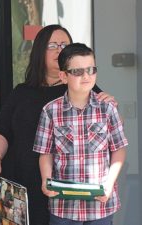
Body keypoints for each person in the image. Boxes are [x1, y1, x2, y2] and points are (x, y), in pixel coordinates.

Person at [0, 24, 116, 225]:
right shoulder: (22, 91)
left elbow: (112, 131)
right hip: (20, 187)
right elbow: (1, 131)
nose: (60, 49)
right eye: (52, 45)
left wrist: (112, 107)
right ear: (39, 51)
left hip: (63, 190)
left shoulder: (84, 88)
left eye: (64, 44)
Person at [33, 43, 128, 224]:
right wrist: (46, 180)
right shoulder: (50, 111)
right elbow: (45, 152)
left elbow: (119, 150)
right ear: (63, 76)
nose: (86, 76)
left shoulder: (108, 109)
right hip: (63, 206)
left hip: (101, 203)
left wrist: (109, 184)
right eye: (77, 71)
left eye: (91, 70)